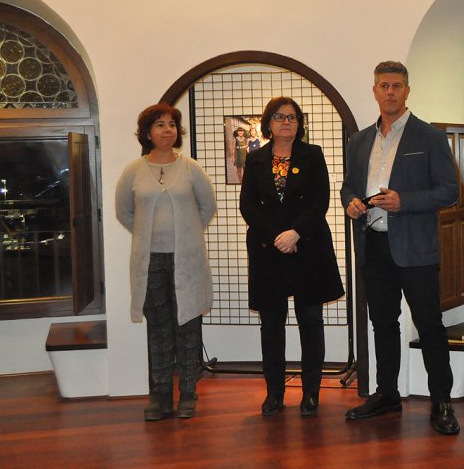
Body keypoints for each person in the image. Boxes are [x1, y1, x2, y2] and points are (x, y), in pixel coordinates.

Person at [340, 61, 460, 435]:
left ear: (407, 91)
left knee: (429, 325)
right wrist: (352, 203)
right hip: (373, 245)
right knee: (382, 325)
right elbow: (348, 187)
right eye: (383, 86)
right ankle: (387, 392)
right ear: (374, 91)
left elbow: (450, 191)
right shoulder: (359, 140)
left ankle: (441, 401)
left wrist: (403, 201)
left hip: (416, 249)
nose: (390, 92)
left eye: (396, 86)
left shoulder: (429, 137)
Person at [239, 96, 344, 417]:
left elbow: (320, 201)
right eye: (280, 117)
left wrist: (295, 232)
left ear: (300, 124)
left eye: (293, 117)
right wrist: (277, 236)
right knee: (271, 324)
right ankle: (274, 393)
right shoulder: (255, 158)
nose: (287, 122)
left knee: (311, 321)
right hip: (268, 251)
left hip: (308, 246)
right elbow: (249, 206)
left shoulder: (312, 155)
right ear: (268, 123)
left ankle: (311, 393)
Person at [115, 103, 217, 421]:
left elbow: (207, 207)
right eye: (160, 124)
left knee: (187, 326)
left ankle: (188, 393)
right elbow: (124, 212)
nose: (167, 129)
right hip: (150, 262)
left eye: (172, 124)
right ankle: (160, 395)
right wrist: (151, 237)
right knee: (158, 330)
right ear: (147, 132)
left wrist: (184, 235)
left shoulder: (191, 169)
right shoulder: (133, 170)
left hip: (187, 260)